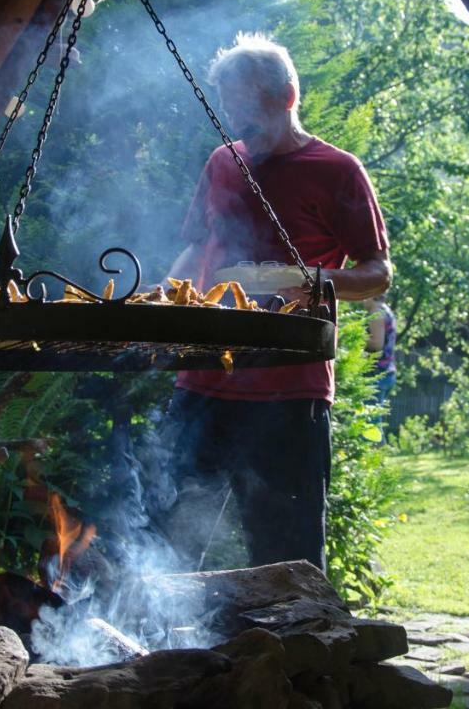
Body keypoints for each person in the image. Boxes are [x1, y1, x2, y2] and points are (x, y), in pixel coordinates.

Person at [159, 33, 392, 572]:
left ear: (287, 97)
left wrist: (313, 282)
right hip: (203, 379)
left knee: (285, 557)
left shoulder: (337, 170)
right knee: (169, 541)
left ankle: (295, 649)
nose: (235, 120)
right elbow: (195, 247)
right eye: (227, 106)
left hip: (289, 390)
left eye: (247, 105)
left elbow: (377, 273)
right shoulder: (222, 162)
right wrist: (161, 300)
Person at [363, 294, 398, 441]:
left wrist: (354, 339)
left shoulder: (376, 313)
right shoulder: (386, 310)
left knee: (371, 425)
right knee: (374, 423)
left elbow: (377, 344)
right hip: (387, 372)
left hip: (377, 374)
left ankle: (376, 461)